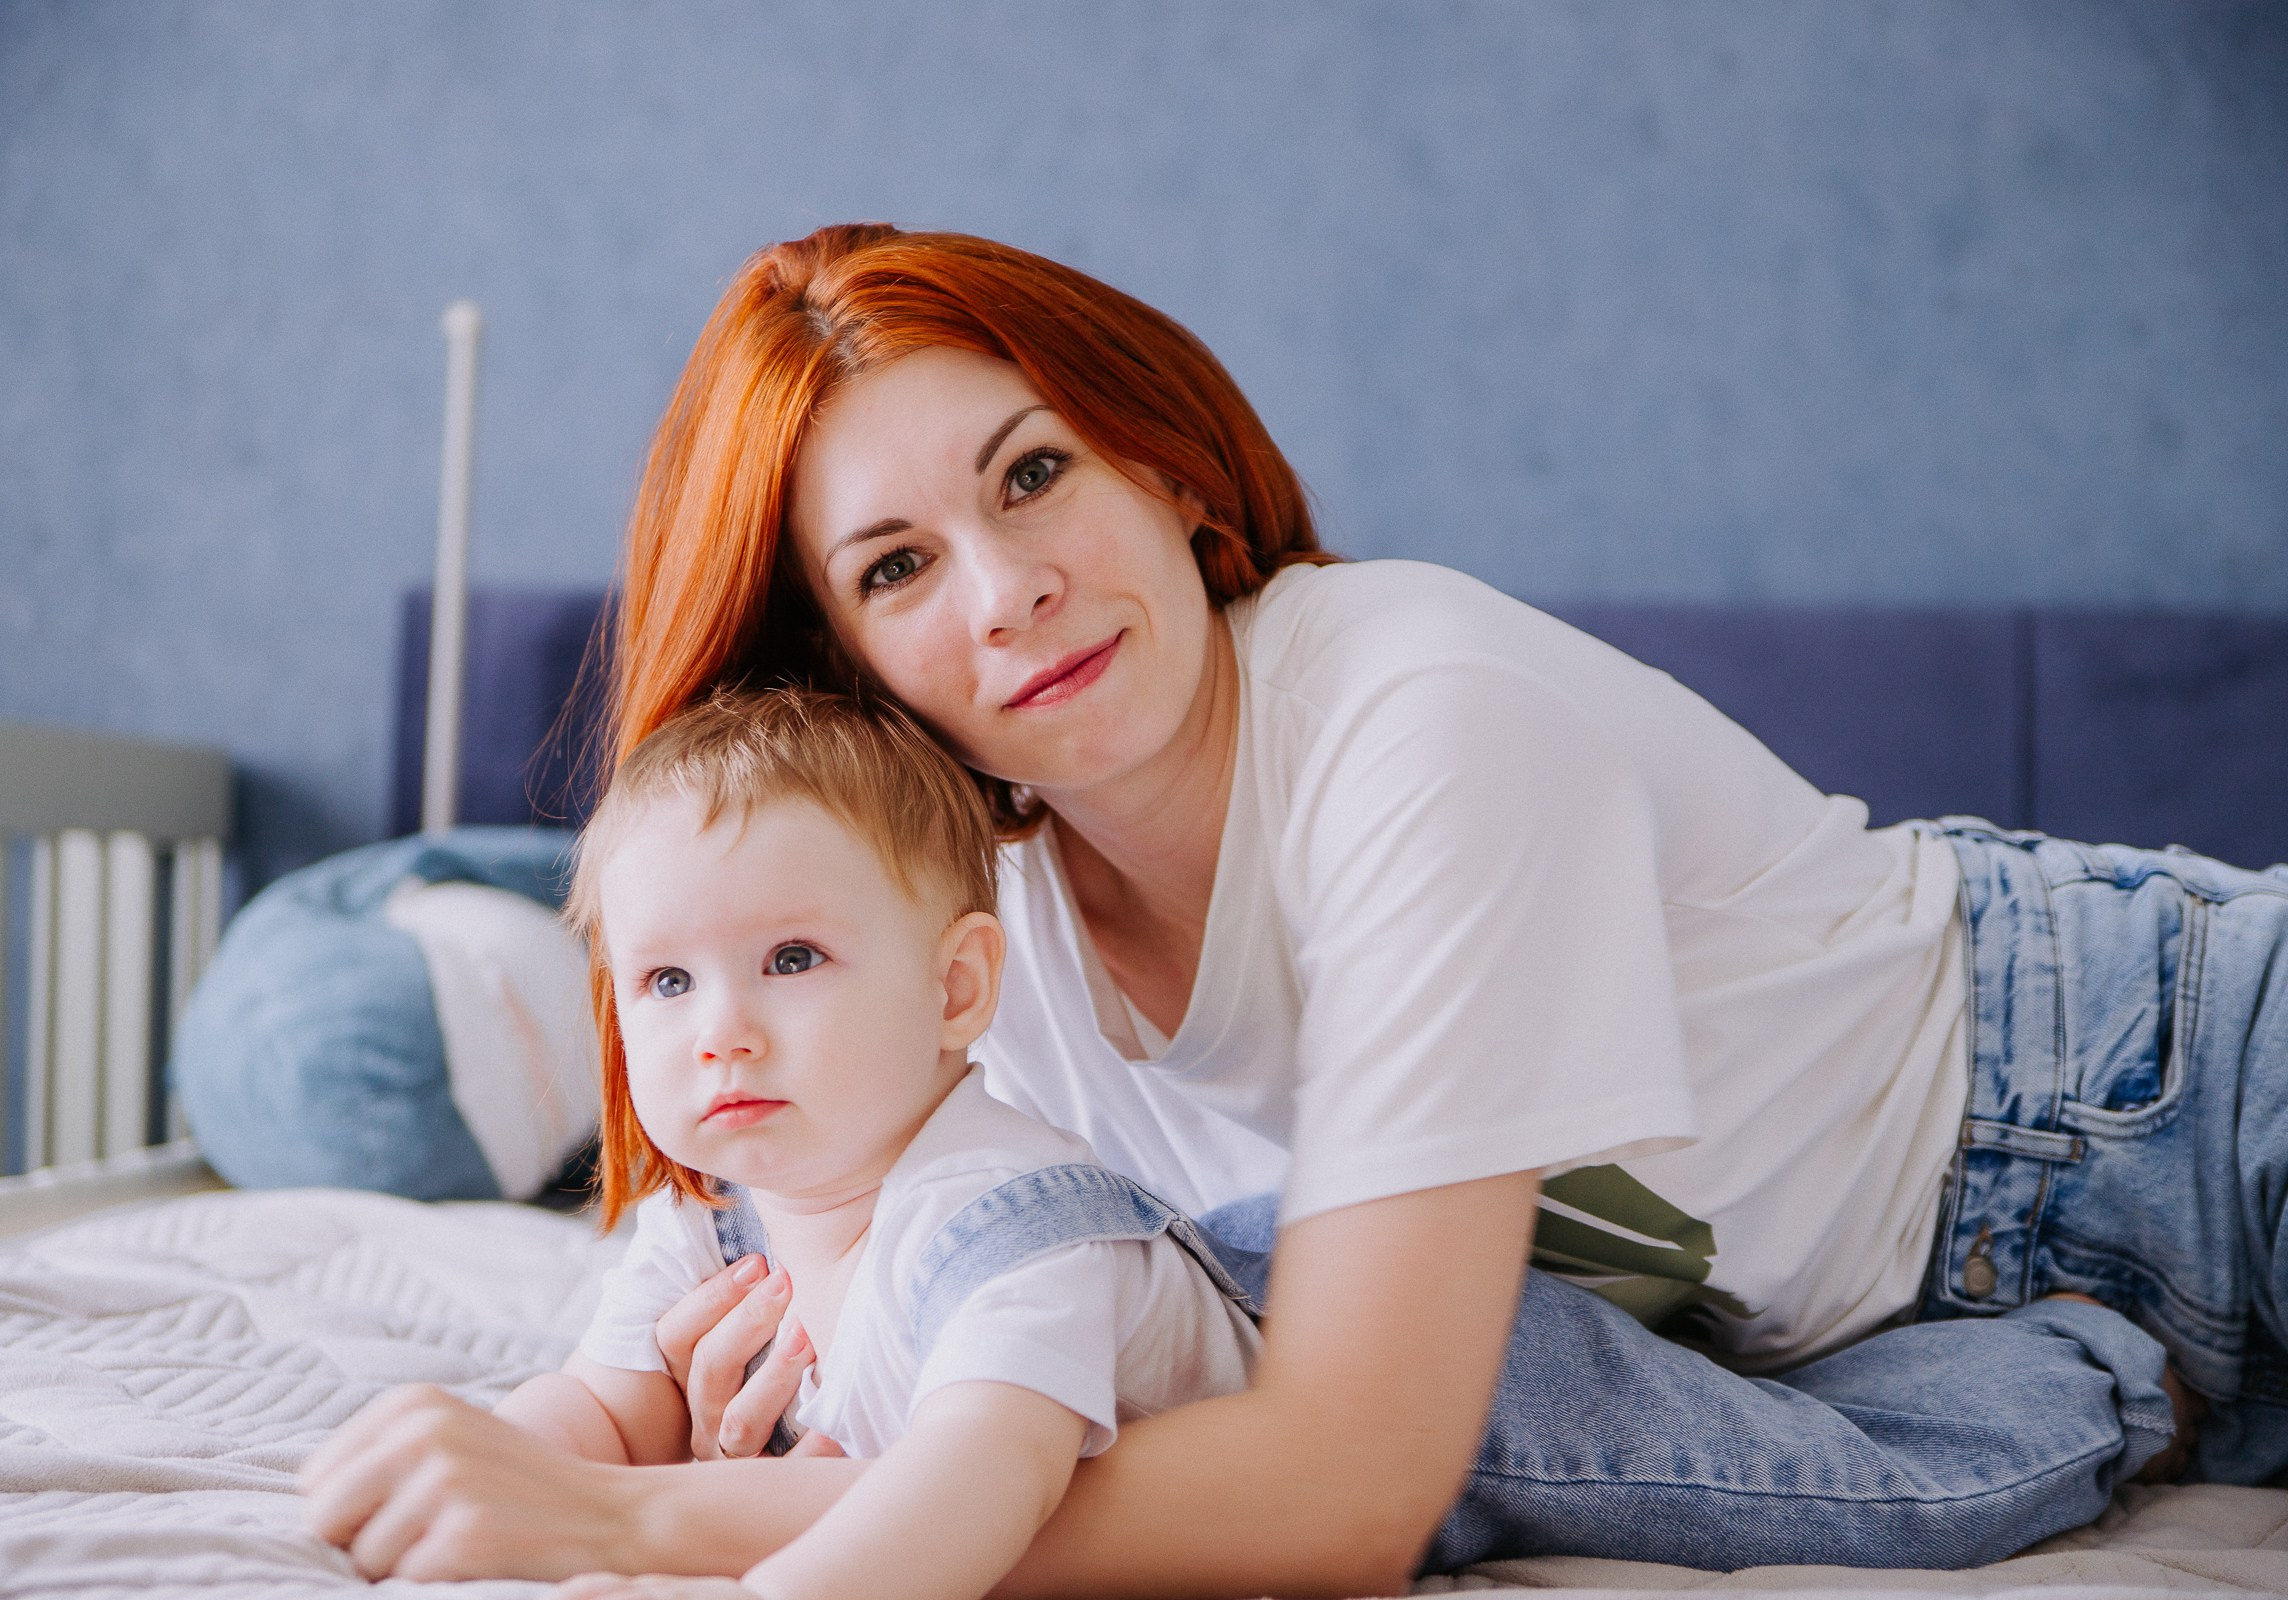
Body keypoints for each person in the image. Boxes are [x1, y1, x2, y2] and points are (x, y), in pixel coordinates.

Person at [306, 224, 2280, 1592]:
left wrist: (658, 1531)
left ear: (1162, 465)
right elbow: (921, 1279)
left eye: (1036, 473)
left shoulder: (1419, 720)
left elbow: (1344, 1482)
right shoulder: (962, 937)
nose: (1009, 593)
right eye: (899, 565)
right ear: (842, 668)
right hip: (1981, 1349)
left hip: (2166, 1091)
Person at [479, 687, 1261, 1600]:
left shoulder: (1008, 1227)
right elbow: (602, 1414)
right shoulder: (713, 1213)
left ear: (956, 988)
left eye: (792, 959)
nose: (719, 1032)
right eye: (667, 979)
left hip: (1436, 1433)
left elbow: (980, 1489)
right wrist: (493, 1472)